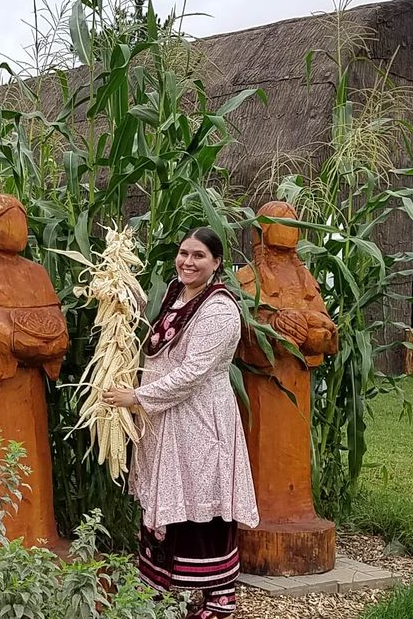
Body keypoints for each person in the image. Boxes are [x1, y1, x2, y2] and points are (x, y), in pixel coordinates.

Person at [103, 227, 260, 619]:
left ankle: (219, 598)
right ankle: (160, 585)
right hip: (167, 420)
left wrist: (136, 398)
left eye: (199, 256)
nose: (188, 262)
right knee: (171, 498)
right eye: (183, 253)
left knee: (200, 499)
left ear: (217, 262)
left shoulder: (219, 310)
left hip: (199, 421)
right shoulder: (177, 293)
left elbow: (192, 373)